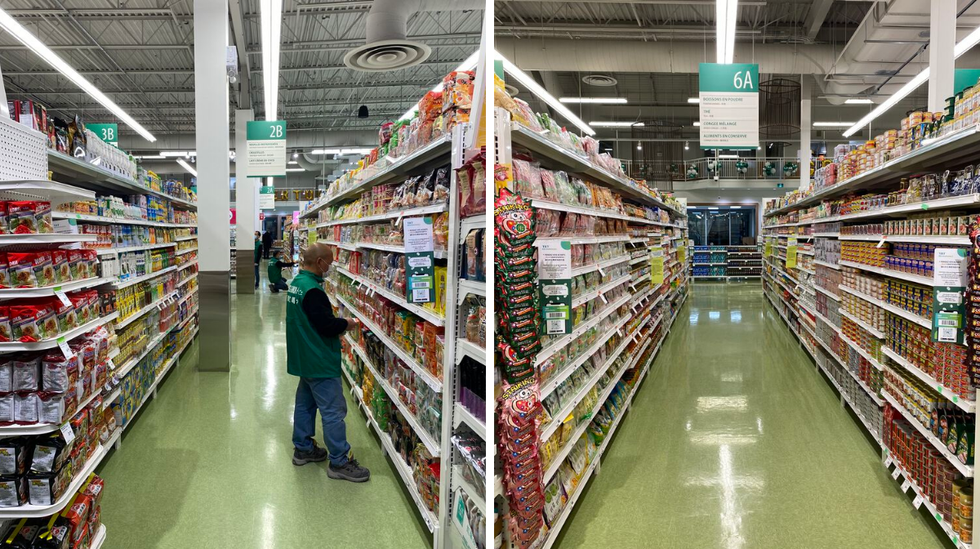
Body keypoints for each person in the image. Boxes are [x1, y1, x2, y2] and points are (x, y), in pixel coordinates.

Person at [286, 243, 370, 482]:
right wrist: (347, 323)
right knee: (333, 411)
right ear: (319, 262)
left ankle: (303, 448)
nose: (330, 267)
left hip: (304, 356)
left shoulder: (297, 284)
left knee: (305, 404)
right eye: (330, 263)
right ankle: (340, 462)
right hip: (319, 359)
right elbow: (326, 326)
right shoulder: (313, 291)